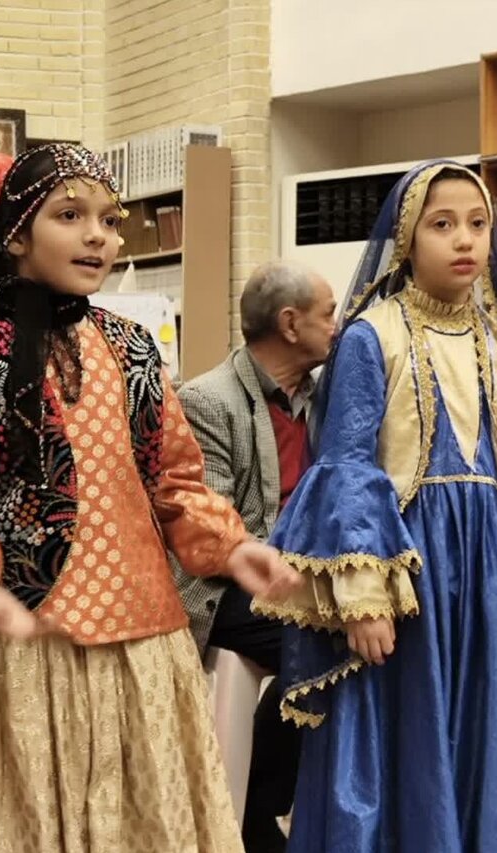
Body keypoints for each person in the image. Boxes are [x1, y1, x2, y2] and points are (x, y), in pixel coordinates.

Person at [0, 143, 301, 852]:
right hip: (31, 645)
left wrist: (235, 549)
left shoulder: (134, 347)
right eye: (70, 216)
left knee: (154, 823)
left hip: (147, 637)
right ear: (16, 234)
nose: (98, 237)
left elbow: (175, 482)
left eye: (110, 221)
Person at [256, 160, 497, 852]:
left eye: (478, 223)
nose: (464, 239)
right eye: (442, 224)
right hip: (411, 575)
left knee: (495, 733)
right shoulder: (372, 337)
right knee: (406, 733)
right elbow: (348, 466)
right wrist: (363, 595)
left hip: (490, 573)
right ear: (407, 238)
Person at [173, 259, 335, 852]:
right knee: (321, 643)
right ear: (290, 324)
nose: (338, 326)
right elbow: (208, 527)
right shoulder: (208, 400)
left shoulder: (321, 398)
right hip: (225, 587)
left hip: (301, 576)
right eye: (328, 314)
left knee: (375, 630)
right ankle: (259, 817)